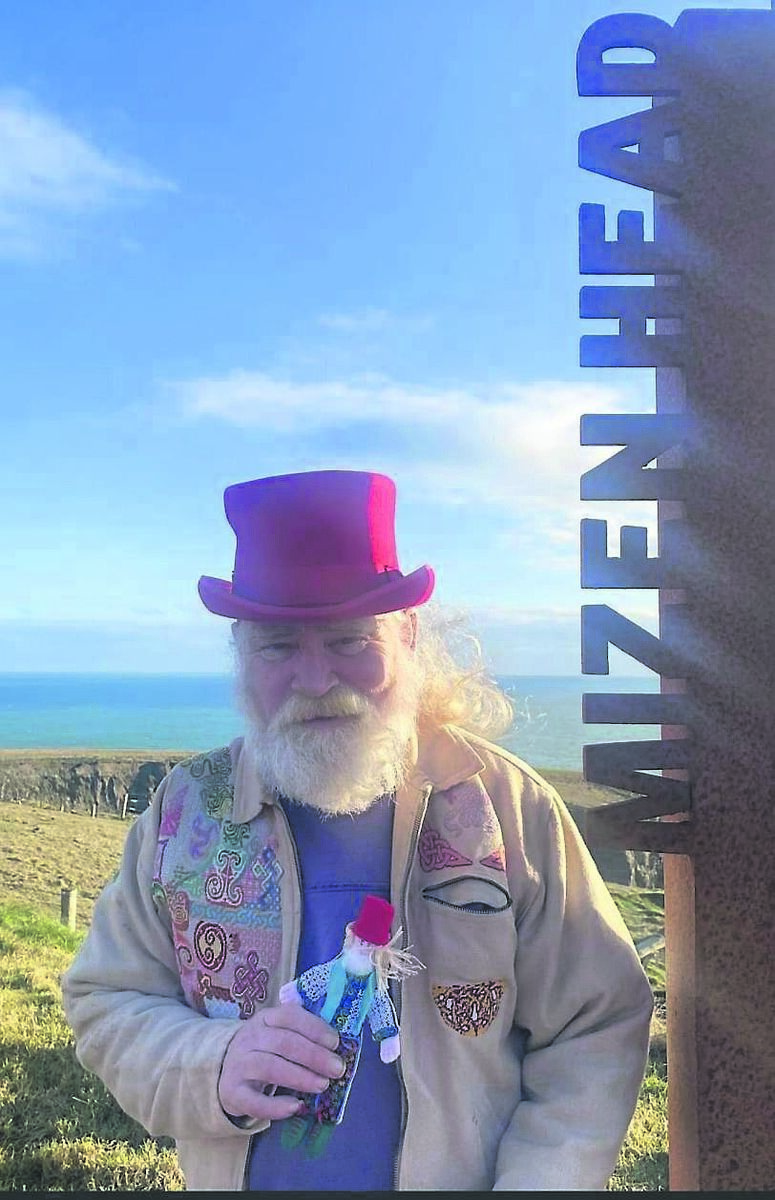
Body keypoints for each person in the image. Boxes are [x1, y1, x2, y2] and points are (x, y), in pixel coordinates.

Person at [61, 469, 654, 1192]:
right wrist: (212, 1062)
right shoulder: (183, 812)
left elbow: (594, 1026)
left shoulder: (507, 806)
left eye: (348, 639)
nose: (316, 679)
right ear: (239, 653)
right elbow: (106, 1000)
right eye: (279, 647)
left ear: (405, 635)